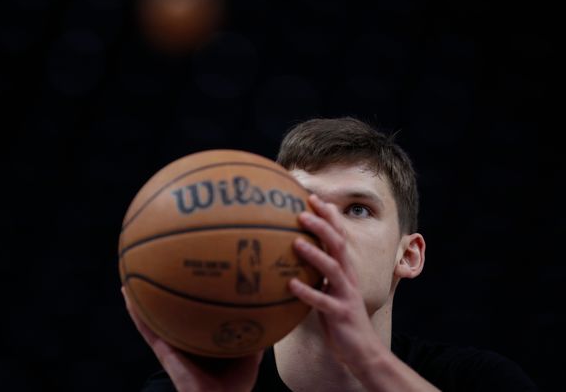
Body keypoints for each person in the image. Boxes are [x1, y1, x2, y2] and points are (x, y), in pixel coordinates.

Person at [122, 117, 537, 391]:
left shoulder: (479, 379)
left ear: (408, 255)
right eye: (300, 205)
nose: (325, 227)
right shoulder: (191, 386)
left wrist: (367, 361)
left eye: (358, 209)